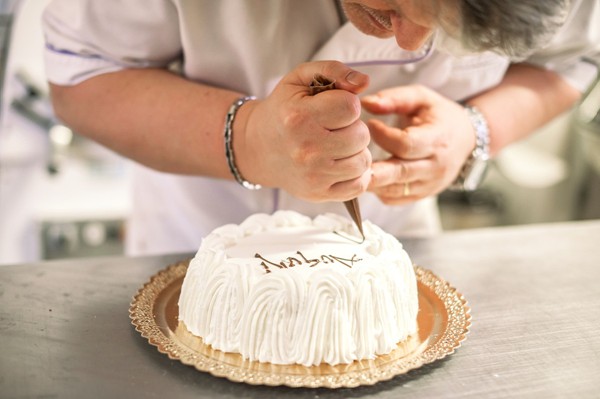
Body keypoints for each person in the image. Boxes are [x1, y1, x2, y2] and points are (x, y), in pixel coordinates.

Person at [41, 0, 599, 256]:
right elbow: (79, 74)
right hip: (193, 247)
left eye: (449, 35)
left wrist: (476, 130)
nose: (404, 44)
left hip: (393, 245)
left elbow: (574, 63)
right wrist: (248, 139)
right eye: (399, 6)